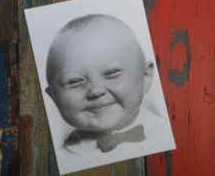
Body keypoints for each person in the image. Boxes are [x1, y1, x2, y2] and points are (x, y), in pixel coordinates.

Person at [45, 14, 165, 155]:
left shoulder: (167, 132)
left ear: (146, 77)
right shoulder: (59, 157)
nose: (96, 91)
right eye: (74, 81)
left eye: (112, 72)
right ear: (54, 98)